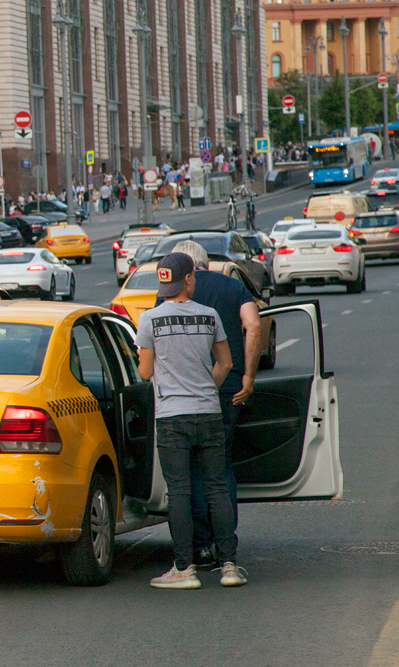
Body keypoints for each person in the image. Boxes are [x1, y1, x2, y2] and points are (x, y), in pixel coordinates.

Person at [137, 252, 244, 590]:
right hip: (209, 411)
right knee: (216, 487)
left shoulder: (149, 319)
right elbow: (225, 363)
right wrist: (205, 389)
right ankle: (229, 565)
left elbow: (144, 371)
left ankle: (184, 568)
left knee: (180, 491)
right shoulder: (209, 315)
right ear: (189, 279)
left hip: (171, 416)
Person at [158, 240, 261, 572]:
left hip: (181, 396)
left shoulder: (167, 295)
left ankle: (196, 548)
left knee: (186, 475)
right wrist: (248, 376)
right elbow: (254, 326)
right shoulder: (232, 285)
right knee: (220, 471)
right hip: (227, 390)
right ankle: (225, 548)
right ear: (204, 263)